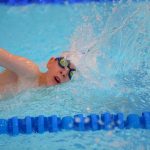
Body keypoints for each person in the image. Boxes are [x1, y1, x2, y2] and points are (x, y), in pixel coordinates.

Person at [0, 48, 76, 98]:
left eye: (71, 73)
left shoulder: (47, 96)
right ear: (50, 62)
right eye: (63, 63)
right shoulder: (29, 71)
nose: (64, 73)